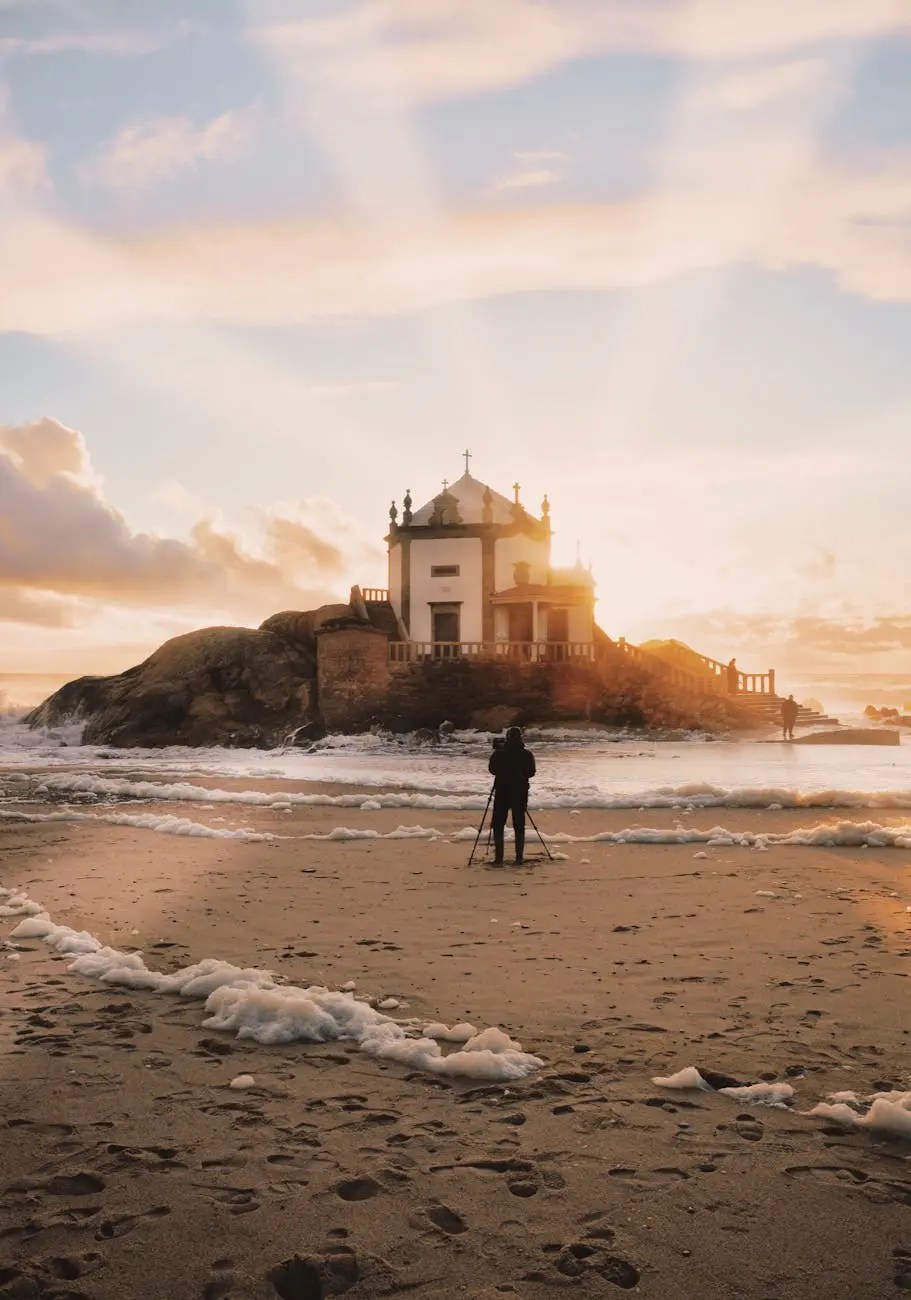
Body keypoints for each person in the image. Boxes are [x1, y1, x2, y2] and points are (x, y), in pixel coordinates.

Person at [488, 726, 536, 865]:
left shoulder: (499, 753)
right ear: (520, 739)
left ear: (507, 738)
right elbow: (531, 772)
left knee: (498, 823)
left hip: (502, 791)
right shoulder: (526, 754)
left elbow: (492, 770)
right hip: (520, 792)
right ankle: (519, 858)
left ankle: (499, 858)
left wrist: (497, 752)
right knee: (519, 823)